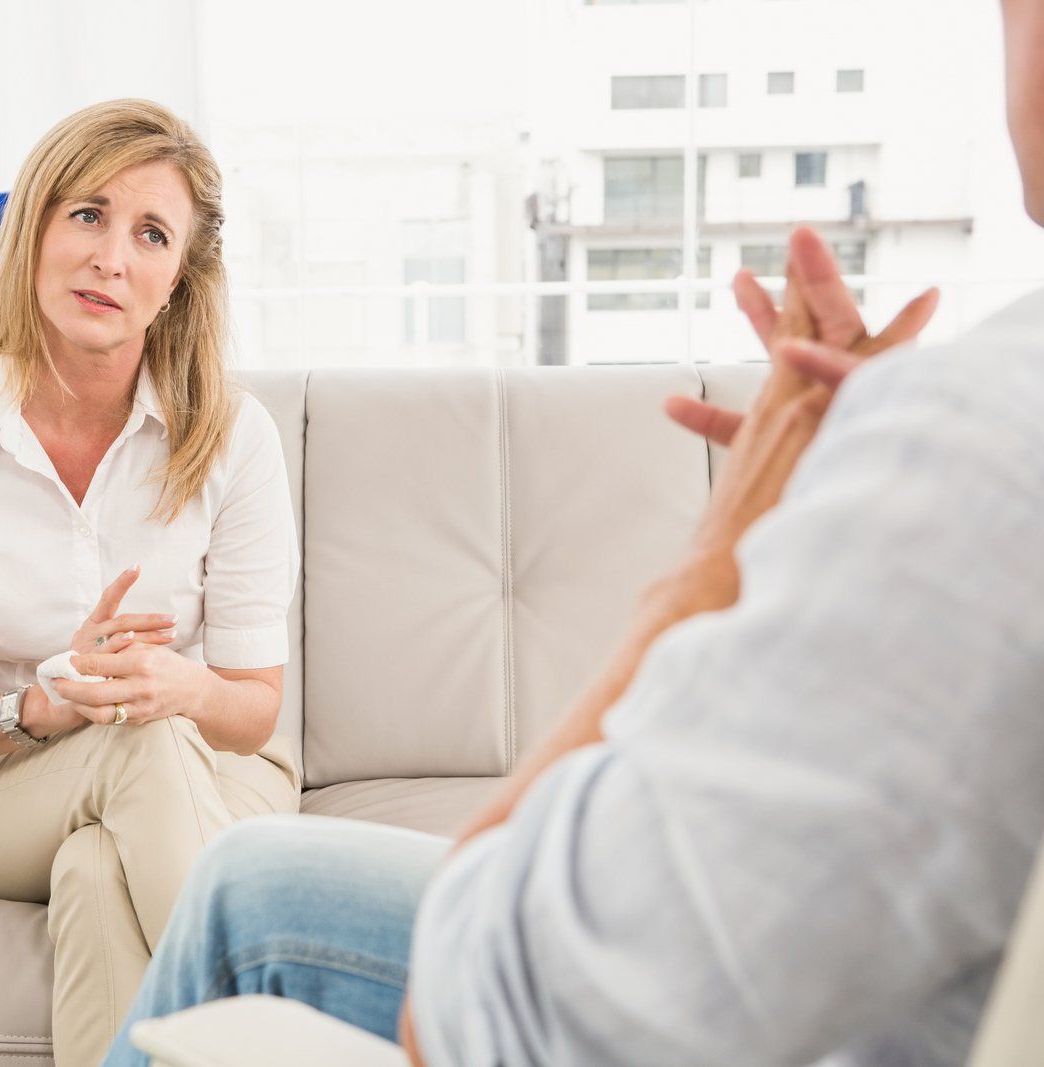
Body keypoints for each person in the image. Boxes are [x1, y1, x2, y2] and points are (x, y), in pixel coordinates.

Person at [102, 1, 1044, 1061]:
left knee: (231, 883)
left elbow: (492, 1007)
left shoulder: (980, 442)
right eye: (86, 215)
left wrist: (721, 552)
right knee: (248, 878)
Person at [0, 99, 301, 1067]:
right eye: (86, 214)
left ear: (176, 279)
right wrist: (39, 705)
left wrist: (177, 687)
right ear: (32, 229)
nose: (110, 258)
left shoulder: (234, 439)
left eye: (150, 234)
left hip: (213, 766)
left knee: (100, 867)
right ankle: (278, 1032)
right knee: (135, 748)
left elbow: (253, 711)